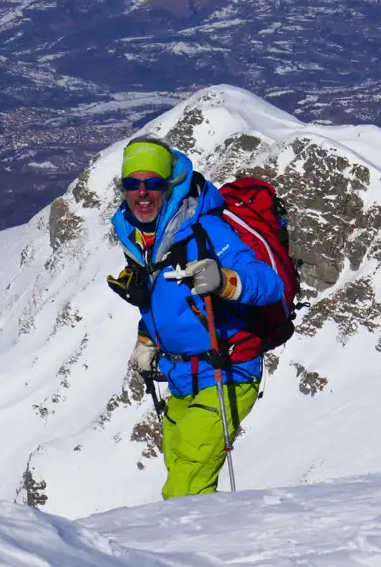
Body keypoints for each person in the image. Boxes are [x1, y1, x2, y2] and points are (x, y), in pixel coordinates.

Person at [107, 136, 284, 499]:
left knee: (184, 485)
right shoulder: (141, 237)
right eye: (132, 184)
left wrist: (226, 280)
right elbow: (164, 297)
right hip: (180, 376)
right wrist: (147, 338)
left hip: (227, 371)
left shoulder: (206, 231)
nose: (142, 193)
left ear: (169, 185)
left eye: (153, 183)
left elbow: (270, 284)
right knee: (183, 472)